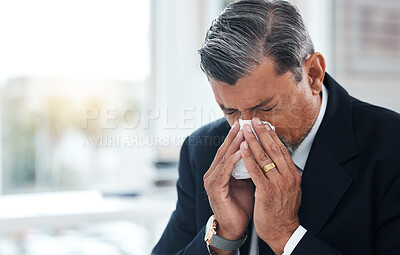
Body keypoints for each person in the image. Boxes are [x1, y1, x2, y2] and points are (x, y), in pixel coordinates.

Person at [152, 0, 400, 254]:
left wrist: (287, 237)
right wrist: (222, 238)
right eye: (231, 111)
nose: (247, 129)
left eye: (266, 108)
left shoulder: (390, 146)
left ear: (313, 74)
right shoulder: (200, 152)